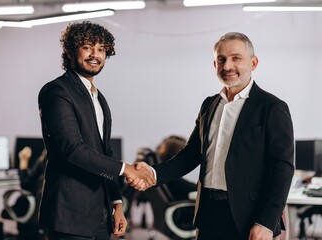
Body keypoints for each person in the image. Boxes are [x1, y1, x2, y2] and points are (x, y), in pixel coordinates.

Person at [132, 32, 295, 240]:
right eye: (221, 59)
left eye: (236, 58)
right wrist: (153, 174)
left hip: (248, 217)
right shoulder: (209, 105)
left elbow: (282, 168)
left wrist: (266, 221)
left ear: (253, 63)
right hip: (208, 213)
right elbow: (190, 155)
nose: (227, 66)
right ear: (214, 64)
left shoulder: (272, 107)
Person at [38, 21, 155, 240]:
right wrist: (127, 169)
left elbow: (104, 152)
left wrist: (116, 202)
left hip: (100, 214)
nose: (96, 54)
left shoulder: (98, 97)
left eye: (101, 49)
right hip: (69, 214)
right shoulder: (56, 92)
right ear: (70, 51)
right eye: (88, 47)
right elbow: (72, 149)